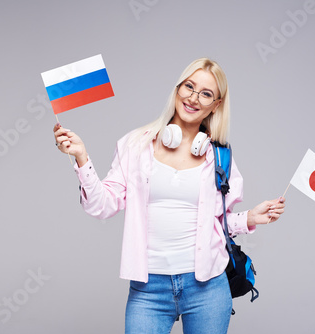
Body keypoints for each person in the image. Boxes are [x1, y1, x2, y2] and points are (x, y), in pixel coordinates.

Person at [53, 58, 285, 334]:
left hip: (208, 287)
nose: (193, 98)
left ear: (216, 104)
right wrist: (82, 158)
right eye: (189, 86)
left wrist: (249, 218)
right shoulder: (136, 145)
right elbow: (100, 206)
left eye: (206, 93)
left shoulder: (219, 156)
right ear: (177, 89)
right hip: (148, 289)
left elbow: (218, 224)